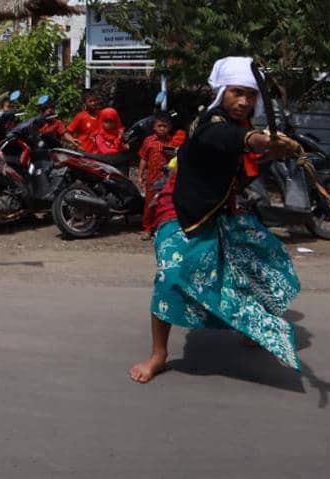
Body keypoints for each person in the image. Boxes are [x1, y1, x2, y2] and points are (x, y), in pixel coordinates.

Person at [128, 56, 302, 384]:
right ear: (222, 91)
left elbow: (240, 174)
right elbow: (221, 139)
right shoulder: (210, 122)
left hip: (217, 209)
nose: (244, 101)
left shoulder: (243, 127)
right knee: (170, 275)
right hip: (178, 207)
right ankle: (159, 355)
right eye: (237, 92)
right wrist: (256, 142)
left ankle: (250, 324)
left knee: (252, 264)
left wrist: (269, 152)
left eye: (250, 95)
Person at [138, 112, 187, 232]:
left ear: (169, 128)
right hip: (152, 178)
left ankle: (161, 228)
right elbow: (143, 158)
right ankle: (147, 229)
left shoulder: (173, 142)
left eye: (165, 126)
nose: (162, 128)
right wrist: (140, 176)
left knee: (164, 204)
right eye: (159, 126)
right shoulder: (148, 141)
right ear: (154, 127)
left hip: (167, 179)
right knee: (149, 204)